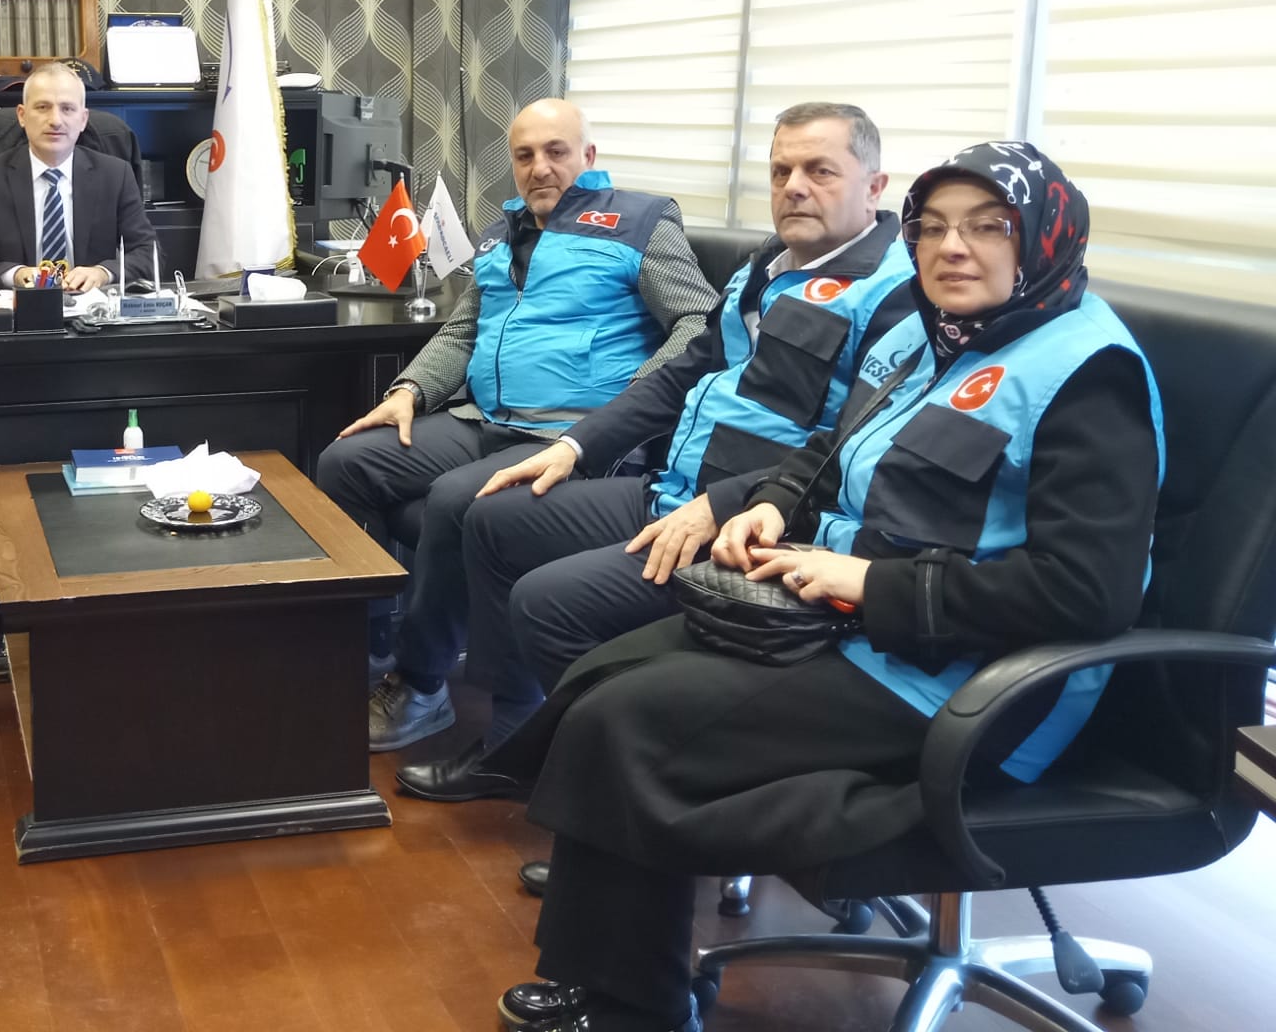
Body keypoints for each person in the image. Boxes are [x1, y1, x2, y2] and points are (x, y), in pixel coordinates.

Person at [489, 141, 1163, 1032]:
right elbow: (829, 451)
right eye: (933, 229)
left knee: (631, 723)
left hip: (975, 685)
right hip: (851, 630)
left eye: (987, 227)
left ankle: (633, 1009)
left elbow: (1087, 594)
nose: (952, 248)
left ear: (1042, 237)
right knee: (603, 678)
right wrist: (773, 505)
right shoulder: (932, 334)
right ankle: (603, 971)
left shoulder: (1089, 375)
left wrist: (872, 582)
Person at [397, 104, 915, 801]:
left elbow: (855, 450)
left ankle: (598, 785)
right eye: (781, 170)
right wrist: (575, 447)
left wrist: (722, 504)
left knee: (545, 602)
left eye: (820, 171)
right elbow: (684, 371)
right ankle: (514, 739)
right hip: (674, 487)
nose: (794, 186)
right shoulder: (769, 266)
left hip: (756, 526)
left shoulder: (897, 297)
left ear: (874, 187)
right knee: (491, 516)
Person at [313, 98, 720, 752]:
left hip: (571, 438)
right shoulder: (500, 235)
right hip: (484, 420)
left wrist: (630, 406)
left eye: (556, 152)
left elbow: (699, 324)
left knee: (455, 498)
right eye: (525, 155)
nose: (539, 168)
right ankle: (371, 646)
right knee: (347, 461)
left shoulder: (641, 221)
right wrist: (409, 390)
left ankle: (421, 685)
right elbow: (463, 329)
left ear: (588, 156)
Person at [0, 61, 156, 291]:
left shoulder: (116, 175)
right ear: (22, 116)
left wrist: (102, 273)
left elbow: (148, 254)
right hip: (18, 307)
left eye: (67, 109)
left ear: (83, 119)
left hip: (90, 307)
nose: (55, 120)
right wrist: (16, 274)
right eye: (42, 107)